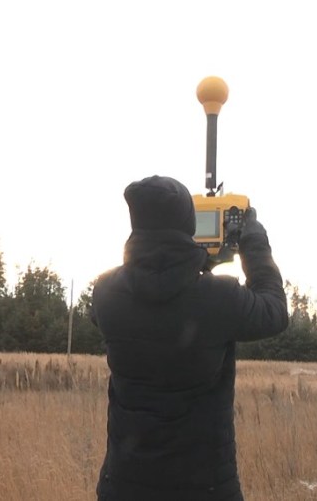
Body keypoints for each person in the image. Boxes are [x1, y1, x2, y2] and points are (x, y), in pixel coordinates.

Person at [91, 175, 288, 501]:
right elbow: (274, 311)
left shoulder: (106, 293)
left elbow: (160, 297)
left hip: (123, 486)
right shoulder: (220, 299)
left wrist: (191, 264)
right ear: (189, 224)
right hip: (205, 487)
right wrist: (254, 245)